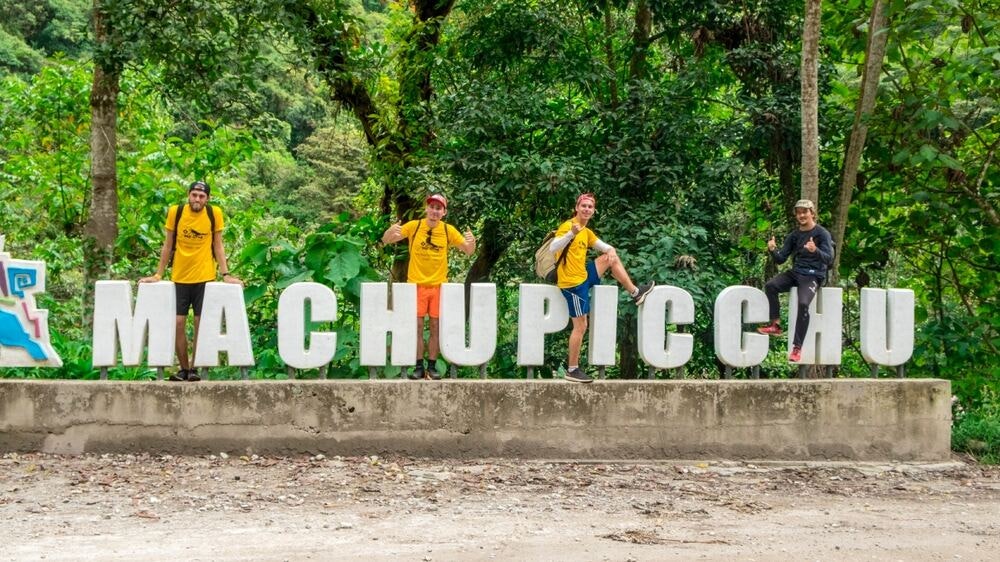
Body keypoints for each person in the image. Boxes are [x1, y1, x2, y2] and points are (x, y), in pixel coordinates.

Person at [140, 180, 242, 381]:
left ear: (207, 198)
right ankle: (183, 369)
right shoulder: (176, 212)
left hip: (205, 277)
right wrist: (158, 274)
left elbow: (218, 245)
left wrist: (226, 274)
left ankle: (194, 368)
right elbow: (168, 245)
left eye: (202, 196)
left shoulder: (214, 213)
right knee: (178, 323)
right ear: (189, 195)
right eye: (194, 195)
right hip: (180, 277)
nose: (197, 199)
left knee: (200, 324)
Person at [550, 193, 654, 383]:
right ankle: (572, 369)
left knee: (609, 258)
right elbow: (553, 248)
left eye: (590, 207)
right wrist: (570, 234)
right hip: (572, 285)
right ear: (576, 208)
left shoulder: (587, 232)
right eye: (584, 206)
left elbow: (604, 247)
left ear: (593, 210)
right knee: (581, 326)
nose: (586, 209)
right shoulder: (568, 226)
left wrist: (611, 250)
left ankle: (635, 293)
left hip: (584, 275)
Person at [381, 194, 476, 380]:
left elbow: (468, 251)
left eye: (438, 208)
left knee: (435, 327)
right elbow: (387, 241)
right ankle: (418, 367)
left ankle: (431, 367)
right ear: (426, 209)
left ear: (444, 212)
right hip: (416, 286)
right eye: (432, 207)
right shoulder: (414, 226)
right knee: (417, 327)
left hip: (438, 287)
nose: (434, 211)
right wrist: (389, 232)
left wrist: (472, 242)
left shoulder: (448, 230)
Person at [757, 198, 835, 362]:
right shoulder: (794, 235)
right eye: (799, 213)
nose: (801, 215)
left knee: (803, 303)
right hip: (796, 272)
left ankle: (797, 348)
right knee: (771, 286)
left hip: (813, 275)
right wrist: (772, 250)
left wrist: (815, 250)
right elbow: (780, 259)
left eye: (805, 212)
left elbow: (829, 259)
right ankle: (775, 325)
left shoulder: (822, 233)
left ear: (812, 213)